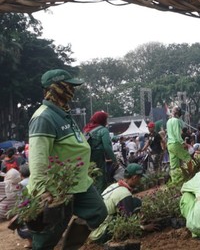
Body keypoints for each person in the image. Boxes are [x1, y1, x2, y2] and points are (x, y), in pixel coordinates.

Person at [27, 69, 107, 249]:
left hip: (78, 183)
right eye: (69, 86)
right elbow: (38, 158)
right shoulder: (43, 117)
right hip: (57, 187)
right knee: (51, 233)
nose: (73, 90)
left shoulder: (63, 113)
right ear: (56, 89)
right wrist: (43, 191)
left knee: (97, 211)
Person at [88, 164, 157, 244]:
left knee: (133, 201)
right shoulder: (124, 194)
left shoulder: (114, 186)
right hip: (100, 234)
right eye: (140, 178)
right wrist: (144, 228)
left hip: (92, 230)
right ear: (134, 177)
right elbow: (127, 222)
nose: (140, 181)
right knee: (136, 203)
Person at [84, 111, 118, 192]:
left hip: (87, 157)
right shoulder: (103, 130)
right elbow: (107, 147)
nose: (107, 121)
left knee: (91, 177)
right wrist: (114, 160)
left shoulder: (87, 129)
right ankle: (101, 198)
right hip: (98, 157)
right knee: (101, 177)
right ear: (103, 120)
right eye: (106, 119)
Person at [167, 106, 192, 184]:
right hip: (176, 143)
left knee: (174, 165)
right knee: (188, 158)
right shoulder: (177, 121)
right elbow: (177, 134)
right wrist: (183, 143)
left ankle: (175, 181)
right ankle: (191, 176)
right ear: (178, 114)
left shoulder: (168, 121)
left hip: (170, 144)